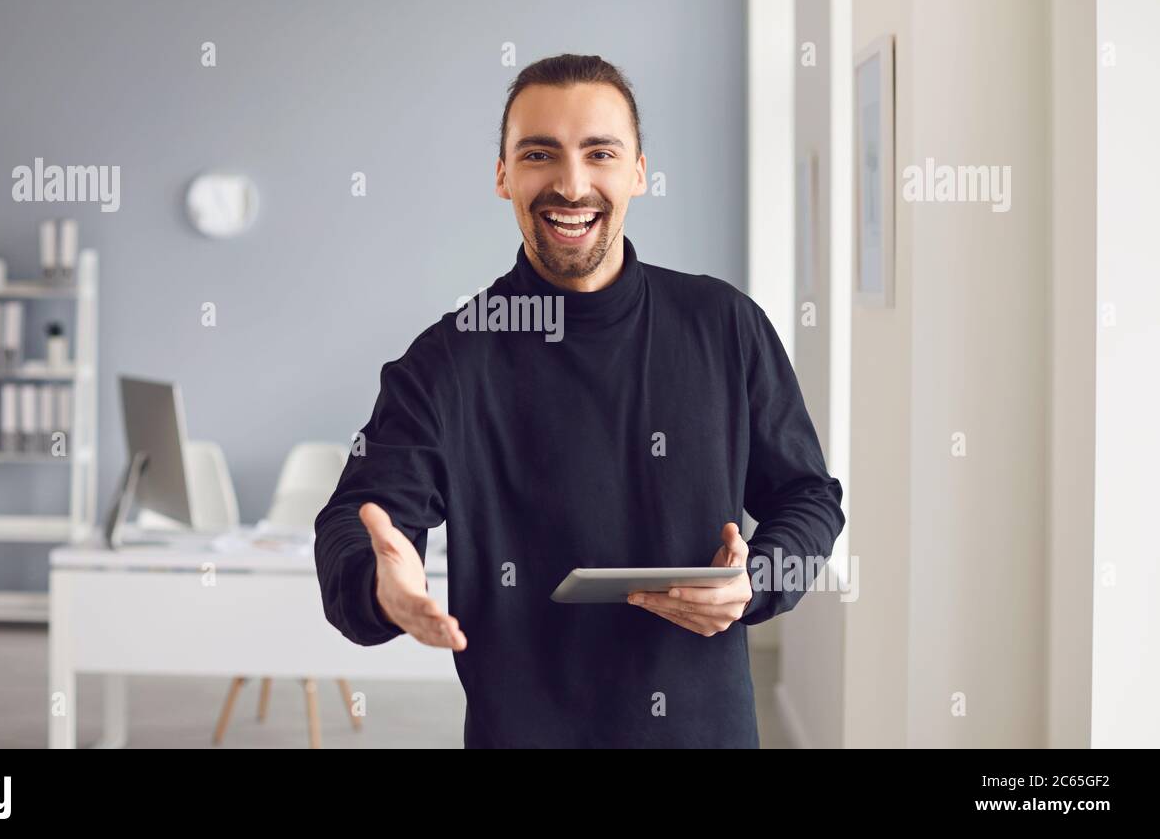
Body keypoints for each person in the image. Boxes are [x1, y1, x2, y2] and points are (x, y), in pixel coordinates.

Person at [314, 53, 845, 748]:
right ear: (503, 174)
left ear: (638, 173)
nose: (571, 184)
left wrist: (758, 580)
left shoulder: (724, 323)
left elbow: (811, 499)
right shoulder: (446, 363)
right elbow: (354, 526)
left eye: (600, 153)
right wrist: (384, 588)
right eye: (540, 154)